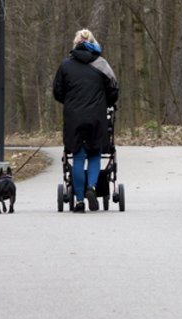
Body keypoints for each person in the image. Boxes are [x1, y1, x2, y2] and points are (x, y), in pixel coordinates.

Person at [53, 29, 119, 213]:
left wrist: (71, 102)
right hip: (96, 117)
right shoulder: (101, 64)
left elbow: (57, 92)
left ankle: (80, 200)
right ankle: (92, 187)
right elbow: (113, 90)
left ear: (75, 44)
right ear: (93, 43)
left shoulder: (66, 65)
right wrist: (107, 102)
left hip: (74, 118)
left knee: (79, 157)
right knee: (95, 155)